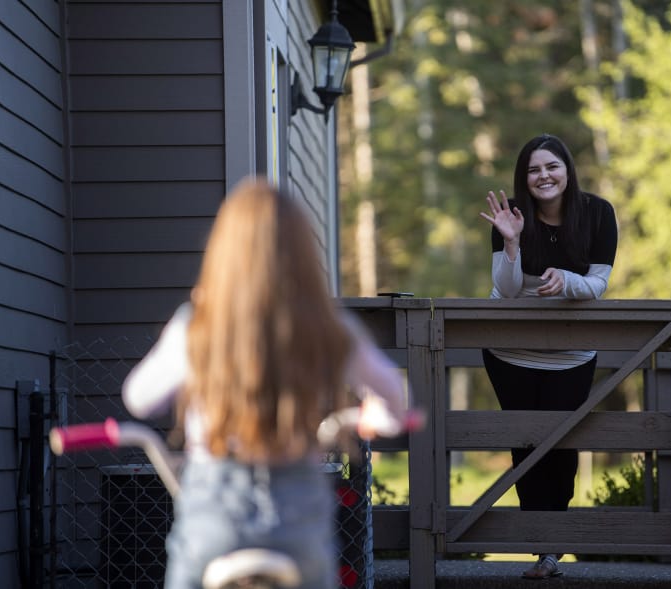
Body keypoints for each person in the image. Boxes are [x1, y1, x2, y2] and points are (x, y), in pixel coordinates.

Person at [122, 178, 413, 589]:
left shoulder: (199, 325)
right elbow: (394, 398)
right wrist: (378, 416)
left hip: (214, 519)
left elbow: (138, 398)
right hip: (296, 524)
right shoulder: (326, 327)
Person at [478, 134, 618, 580]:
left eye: (552, 167)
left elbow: (597, 285)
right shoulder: (509, 218)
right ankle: (539, 546)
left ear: (567, 171)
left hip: (571, 355)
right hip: (510, 352)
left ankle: (552, 548)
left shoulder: (598, 214)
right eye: (534, 170)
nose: (544, 176)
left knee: (561, 447)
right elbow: (506, 292)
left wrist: (567, 280)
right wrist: (513, 244)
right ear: (524, 178)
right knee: (524, 446)